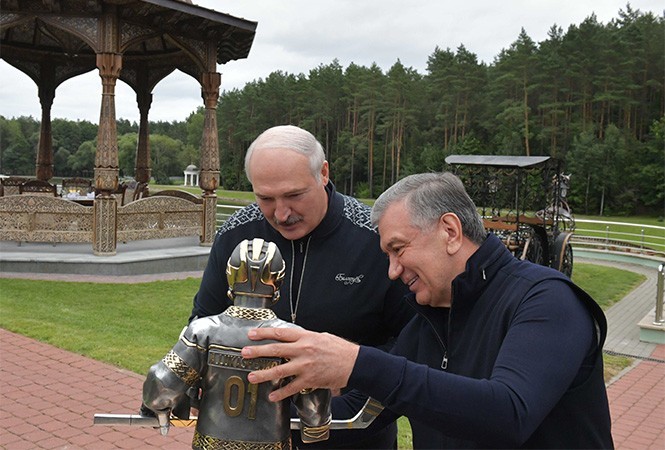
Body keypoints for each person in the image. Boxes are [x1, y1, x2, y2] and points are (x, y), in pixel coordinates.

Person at [241, 172, 614, 449]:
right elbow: (359, 414)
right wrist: (253, 417)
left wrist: (358, 362)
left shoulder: (546, 300)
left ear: (449, 231)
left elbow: (509, 413)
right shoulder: (429, 320)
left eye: (398, 249)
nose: (392, 271)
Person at [190, 125, 413, 448]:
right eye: (265, 198)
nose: (281, 214)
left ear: (323, 173)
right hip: (248, 434)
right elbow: (203, 321)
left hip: (351, 434)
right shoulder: (236, 235)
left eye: (294, 195)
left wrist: (346, 382)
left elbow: (413, 342)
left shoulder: (374, 239)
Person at [143, 238, 332, 448]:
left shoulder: (203, 331)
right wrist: (315, 428)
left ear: (231, 277)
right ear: (278, 282)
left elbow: (160, 383)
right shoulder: (294, 338)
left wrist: (157, 408)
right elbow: (314, 404)